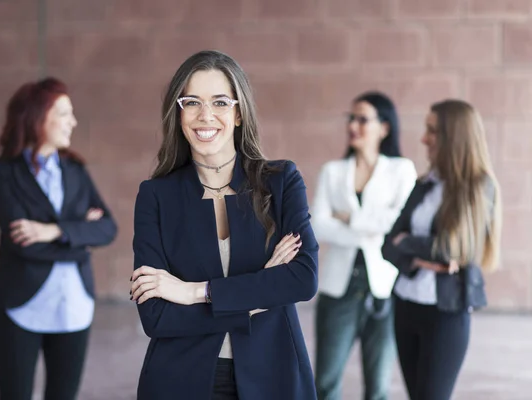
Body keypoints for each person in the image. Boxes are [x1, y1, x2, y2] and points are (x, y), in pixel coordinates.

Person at [130, 50, 319, 400]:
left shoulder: (280, 182)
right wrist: (259, 294)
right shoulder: (156, 196)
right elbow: (156, 317)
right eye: (192, 102)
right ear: (178, 112)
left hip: (273, 376)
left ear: (238, 113)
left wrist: (194, 293)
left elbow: (302, 278)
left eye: (219, 102)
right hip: (180, 382)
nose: (205, 116)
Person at [0, 77, 118, 400]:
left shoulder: (75, 170)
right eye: (63, 113)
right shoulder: (4, 172)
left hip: (74, 306)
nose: (72, 122)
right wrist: (79, 237)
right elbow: (23, 244)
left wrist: (53, 230)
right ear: (36, 116)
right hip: (20, 306)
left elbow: (108, 228)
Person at [382, 99, 502, 400]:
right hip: (406, 303)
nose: (423, 138)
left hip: (446, 313)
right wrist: (419, 258)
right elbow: (387, 244)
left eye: (432, 130)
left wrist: (406, 243)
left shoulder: (479, 186)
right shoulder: (424, 184)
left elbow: (454, 248)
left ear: (455, 136)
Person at [311, 92, 417, 400]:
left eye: (362, 119)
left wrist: (348, 218)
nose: (353, 125)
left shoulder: (401, 170)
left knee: (378, 388)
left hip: (383, 287)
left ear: (384, 127)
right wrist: (370, 226)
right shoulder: (333, 171)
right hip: (338, 288)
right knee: (325, 383)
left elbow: (398, 223)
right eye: (351, 118)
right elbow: (318, 225)